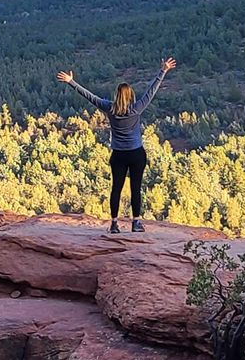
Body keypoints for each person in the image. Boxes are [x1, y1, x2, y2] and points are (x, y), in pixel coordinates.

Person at [56, 57, 175, 233]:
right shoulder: (136, 108)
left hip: (118, 154)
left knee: (116, 189)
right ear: (130, 95)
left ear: (117, 95)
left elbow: (89, 96)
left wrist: (71, 82)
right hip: (136, 153)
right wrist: (163, 71)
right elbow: (151, 91)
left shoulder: (109, 108)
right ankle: (135, 223)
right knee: (136, 188)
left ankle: (113, 224)